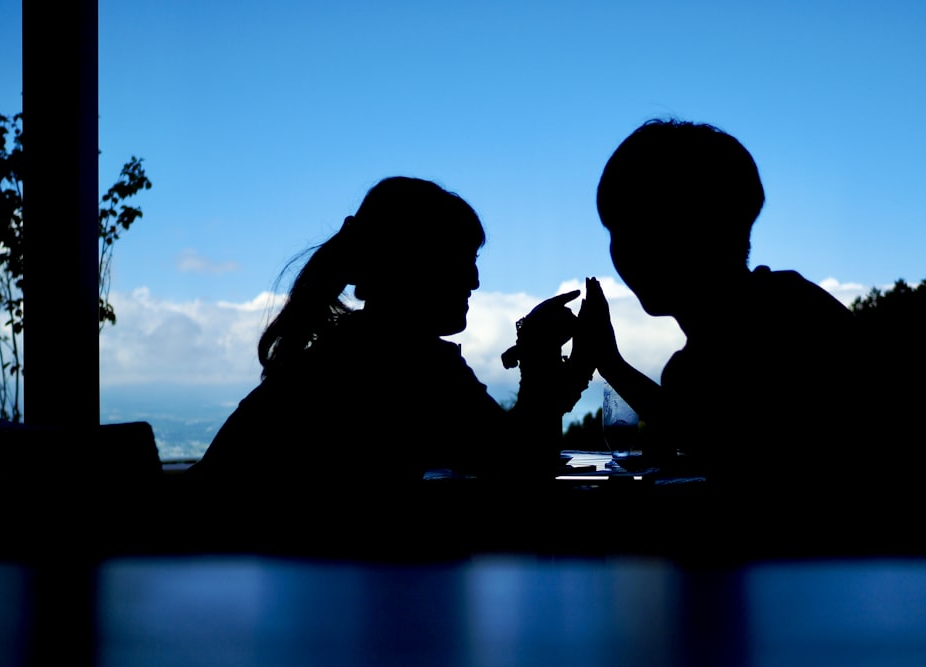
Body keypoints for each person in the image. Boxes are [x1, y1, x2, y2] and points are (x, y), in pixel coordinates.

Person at [187, 176, 592, 517]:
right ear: (416, 265)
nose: (474, 280)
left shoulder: (348, 348)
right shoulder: (414, 364)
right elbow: (522, 465)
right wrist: (539, 354)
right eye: (462, 259)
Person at [581, 119, 868, 522]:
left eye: (651, 228)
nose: (628, 251)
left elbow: (717, 434)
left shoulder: (784, 322)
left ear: (706, 232)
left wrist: (608, 361)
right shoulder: (788, 305)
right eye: (620, 231)